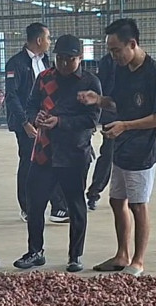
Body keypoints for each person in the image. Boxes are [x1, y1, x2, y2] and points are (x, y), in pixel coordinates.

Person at [78, 19, 156, 277]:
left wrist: (126, 126)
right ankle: (122, 254)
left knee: (138, 205)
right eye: (110, 50)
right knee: (117, 200)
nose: (113, 55)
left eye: (116, 49)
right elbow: (117, 104)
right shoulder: (120, 68)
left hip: (142, 150)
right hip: (120, 146)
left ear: (132, 43)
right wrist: (97, 100)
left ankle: (138, 261)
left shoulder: (153, 73)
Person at [14, 35, 100, 273]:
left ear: (80, 58)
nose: (63, 64)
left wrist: (60, 122)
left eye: (69, 60)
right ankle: (35, 251)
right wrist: (36, 117)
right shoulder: (44, 78)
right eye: (60, 59)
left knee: (75, 204)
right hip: (44, 152)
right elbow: (31, 105)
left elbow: (92, 119)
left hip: (73, 153)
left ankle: (75, 255)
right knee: (35, 203)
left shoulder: (90, 82)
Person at [5, 22, 69, 225]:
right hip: (26, 124)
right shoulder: (16, 63)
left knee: (52, 160)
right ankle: (27, 207)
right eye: (48, 38)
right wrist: (25, 122)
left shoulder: (47, 61)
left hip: (45, 122)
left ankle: (59, 208)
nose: (50, 42)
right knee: (29, 163)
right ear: (39, 40)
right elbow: (12, 96)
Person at [85, 52, 117, 212]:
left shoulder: (143, 65)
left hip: (132, 116)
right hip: (112, 114)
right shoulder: (108, 62)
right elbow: (101, 90)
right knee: (108, 154)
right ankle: (94, 193)